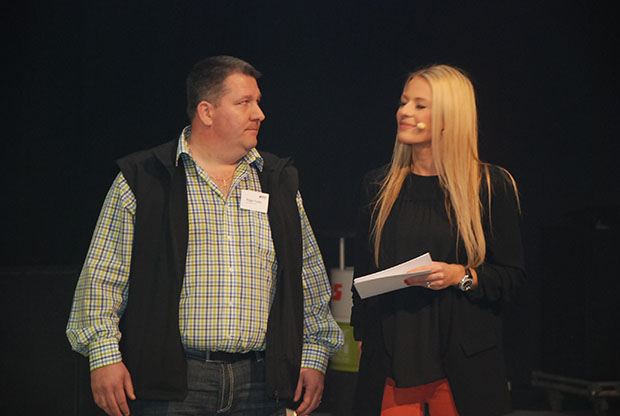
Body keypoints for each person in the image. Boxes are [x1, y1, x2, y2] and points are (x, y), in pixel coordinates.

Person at [67, 55, 343, 416]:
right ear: (207, 112)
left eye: (258, 102)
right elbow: (103, 278)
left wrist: (315, 354)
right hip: (173, 383)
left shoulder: (277, 181)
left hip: (262, 383)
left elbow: (308, 278)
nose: (259, 114)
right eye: (244, 102)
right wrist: (104, 356)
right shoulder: (146, 178)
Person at [350, 64, 526, 416]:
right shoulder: (379, 186)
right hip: (390, 367)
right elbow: (364, 275)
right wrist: (363, 338)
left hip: (462, 368)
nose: (404, 112)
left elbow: (512, 277)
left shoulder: (490, 187)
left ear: (450, 117)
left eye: (420, 105)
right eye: (403, 102)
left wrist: (460, 275)